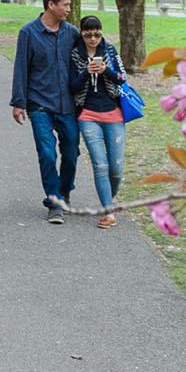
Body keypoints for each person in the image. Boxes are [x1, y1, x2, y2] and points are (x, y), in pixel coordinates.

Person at [10, 0, 81, 223]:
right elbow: (21, 68)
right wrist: (18, 102)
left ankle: (65, 191)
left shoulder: (71, 33)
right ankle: (54, 201)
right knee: (47, 153)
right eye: (65, 5)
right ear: (51, 5)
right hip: (39, 103)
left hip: (68, 104)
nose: (69, 9)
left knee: (71, 152)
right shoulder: (28, 33)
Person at [69, 15, 128, 229]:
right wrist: (86, 72)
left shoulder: (110, 51)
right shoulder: (75, 54)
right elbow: (72, 86)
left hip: (113, 113)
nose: (93, 39)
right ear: (82, 34)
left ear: (101, 32)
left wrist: (106, 71)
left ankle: (108, 200)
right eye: (88, 35)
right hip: (88, 115)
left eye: (97, 34)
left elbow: (123, 78)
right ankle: (108, 211)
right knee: (100, 165)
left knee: (116, 168)